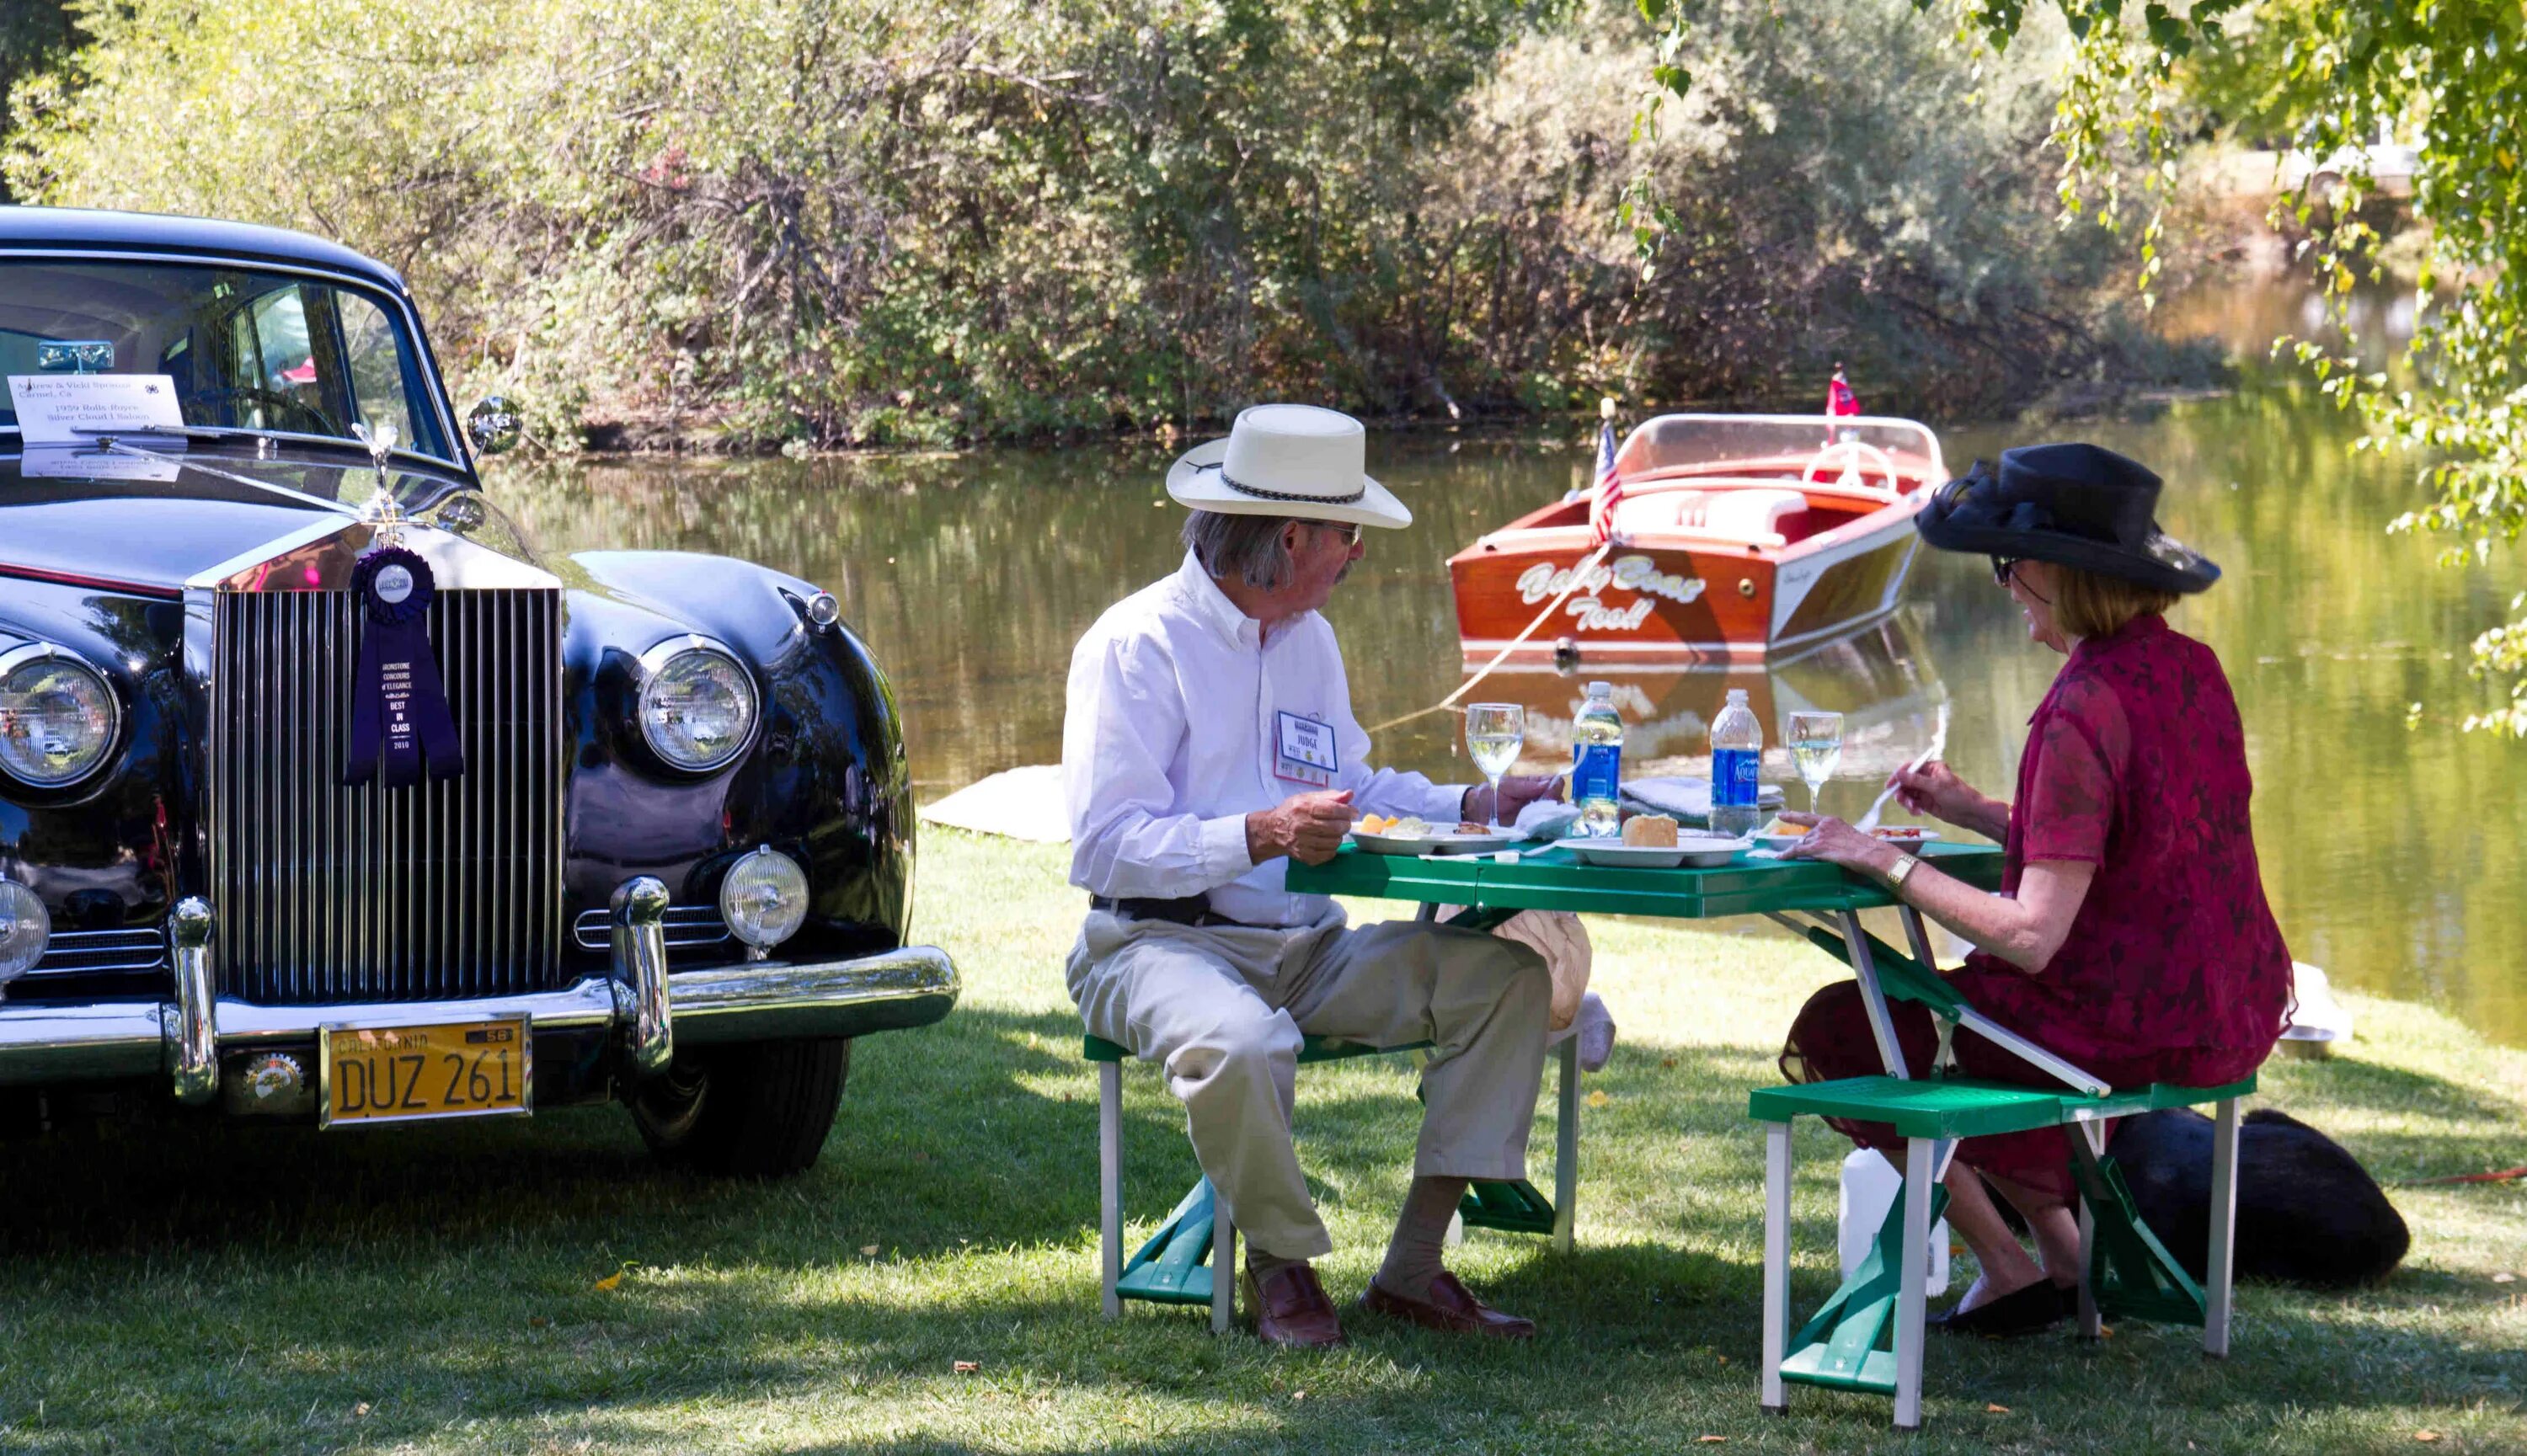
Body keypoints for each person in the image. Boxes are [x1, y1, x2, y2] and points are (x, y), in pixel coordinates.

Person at [1064, 403, 1566, 1347]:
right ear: (1290, 537)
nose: (1354, 555)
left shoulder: (1309, 640)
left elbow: (1354, 784)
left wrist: (1475, 803)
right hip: (1152, 943)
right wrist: (1259, 833)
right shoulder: (1136, 644)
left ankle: (1413, 1270)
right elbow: (1104, 846)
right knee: (1243, 1043)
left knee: (1508, 980)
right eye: (1348, 535)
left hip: (1304, 947)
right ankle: (1280, 1265)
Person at [1775, 442, 2294, 1336]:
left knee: (1848, 1025)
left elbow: (2033, 936)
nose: (2006, 586)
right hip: (2215, 1006)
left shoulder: (2081, 704)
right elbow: (2136, 848)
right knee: (1946, 1019)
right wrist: (1975, 809)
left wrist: (1882, 858)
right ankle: (2059, 1256)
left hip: (2118, 1027)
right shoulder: (2190, 672)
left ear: (2058, 572)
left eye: (2010, 567)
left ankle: (2013, 1264)